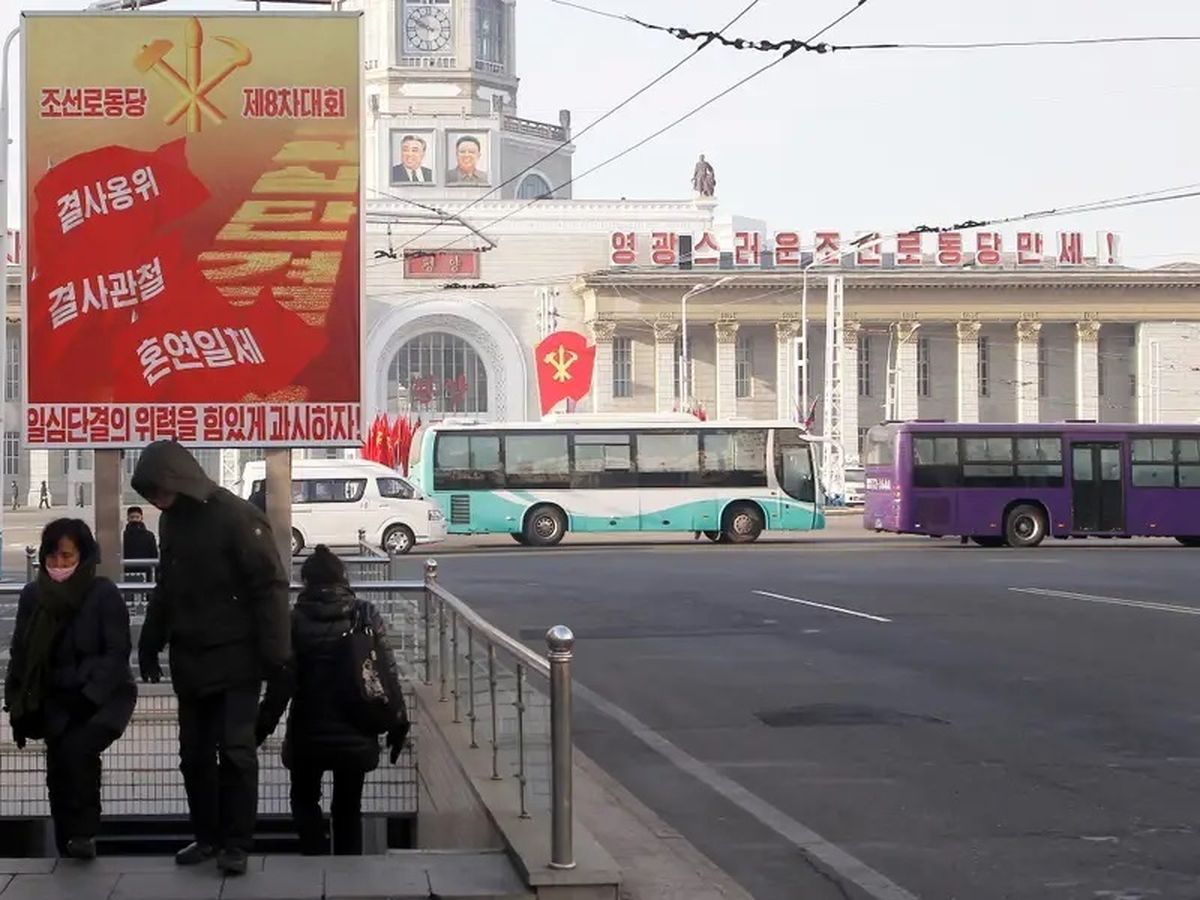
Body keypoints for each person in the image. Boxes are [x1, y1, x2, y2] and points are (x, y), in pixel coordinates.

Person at [131, 441, 290, 876]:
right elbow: (167, 586)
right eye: (148, 493)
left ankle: (235, 844)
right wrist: (150, 640)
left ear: (180, 478)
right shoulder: (171, 525)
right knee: (193, 756)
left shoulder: (237, 517)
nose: (154, 500)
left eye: (158, 489)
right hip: (191, 658)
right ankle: (207, 836)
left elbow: (269, 587)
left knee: (236, 753)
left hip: (237, 658)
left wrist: (277, 655)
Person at [256, 545, 409, 856]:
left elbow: (281, 684)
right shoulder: (364, 613)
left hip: (307, 732)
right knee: (348, 806)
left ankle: (314, 855)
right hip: (357, 728)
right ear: (343, 578)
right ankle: (346, 870)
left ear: (306, 582)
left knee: (303, 799)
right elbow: (386, 671)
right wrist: (398, 720)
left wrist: (260, 729)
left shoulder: (294, 621)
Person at [3, 519, 137, 860]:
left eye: (66, 556)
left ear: (83, 555)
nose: (59, 565)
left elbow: (116, 651)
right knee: (58, 767)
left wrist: (90, 695)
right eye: (52, 556)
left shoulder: (102, 593)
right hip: (55, 697)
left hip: (103, 698)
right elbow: (21, 651)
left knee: (78, 753)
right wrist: (16, 699)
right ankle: (67, 840)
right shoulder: (34, 595)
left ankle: (83, 833)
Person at [122, 506, 158, 583]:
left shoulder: (123, 536)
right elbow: (154, 555)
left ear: (141, 518)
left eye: (137, 517)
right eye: (132, 517)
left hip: (132, 569)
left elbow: (154, 553)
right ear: (128, 518)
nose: (134, 519)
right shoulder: (149, 535)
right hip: (140, 569)